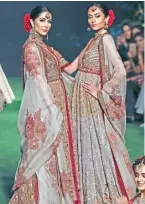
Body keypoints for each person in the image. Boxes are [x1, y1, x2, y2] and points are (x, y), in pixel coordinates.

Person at [63, 3, 136, 204]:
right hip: (79, 100)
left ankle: (101, 190)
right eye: (90, 16)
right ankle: (86, 189)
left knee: (96, 141)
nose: (93, 19)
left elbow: (120, 71)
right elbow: (70, 69)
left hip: (92, 100)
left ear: (106, 19)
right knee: (84, 140)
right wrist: (47, 58)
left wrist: (101, 92)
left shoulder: (106, 40)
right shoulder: (91, 43)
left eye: (97, 15)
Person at [9, 6, 80, 204]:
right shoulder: (31, 47)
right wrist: (51, 108)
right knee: (45, 150)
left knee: (59, 151)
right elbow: (38, 80)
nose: (46, 25)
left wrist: (92, 52)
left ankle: (59, 195)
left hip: (60, 103)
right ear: (31, 22)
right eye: (42, 20)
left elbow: (69, 68)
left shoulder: (46, 49)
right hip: (47, 106)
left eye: (49, 21)